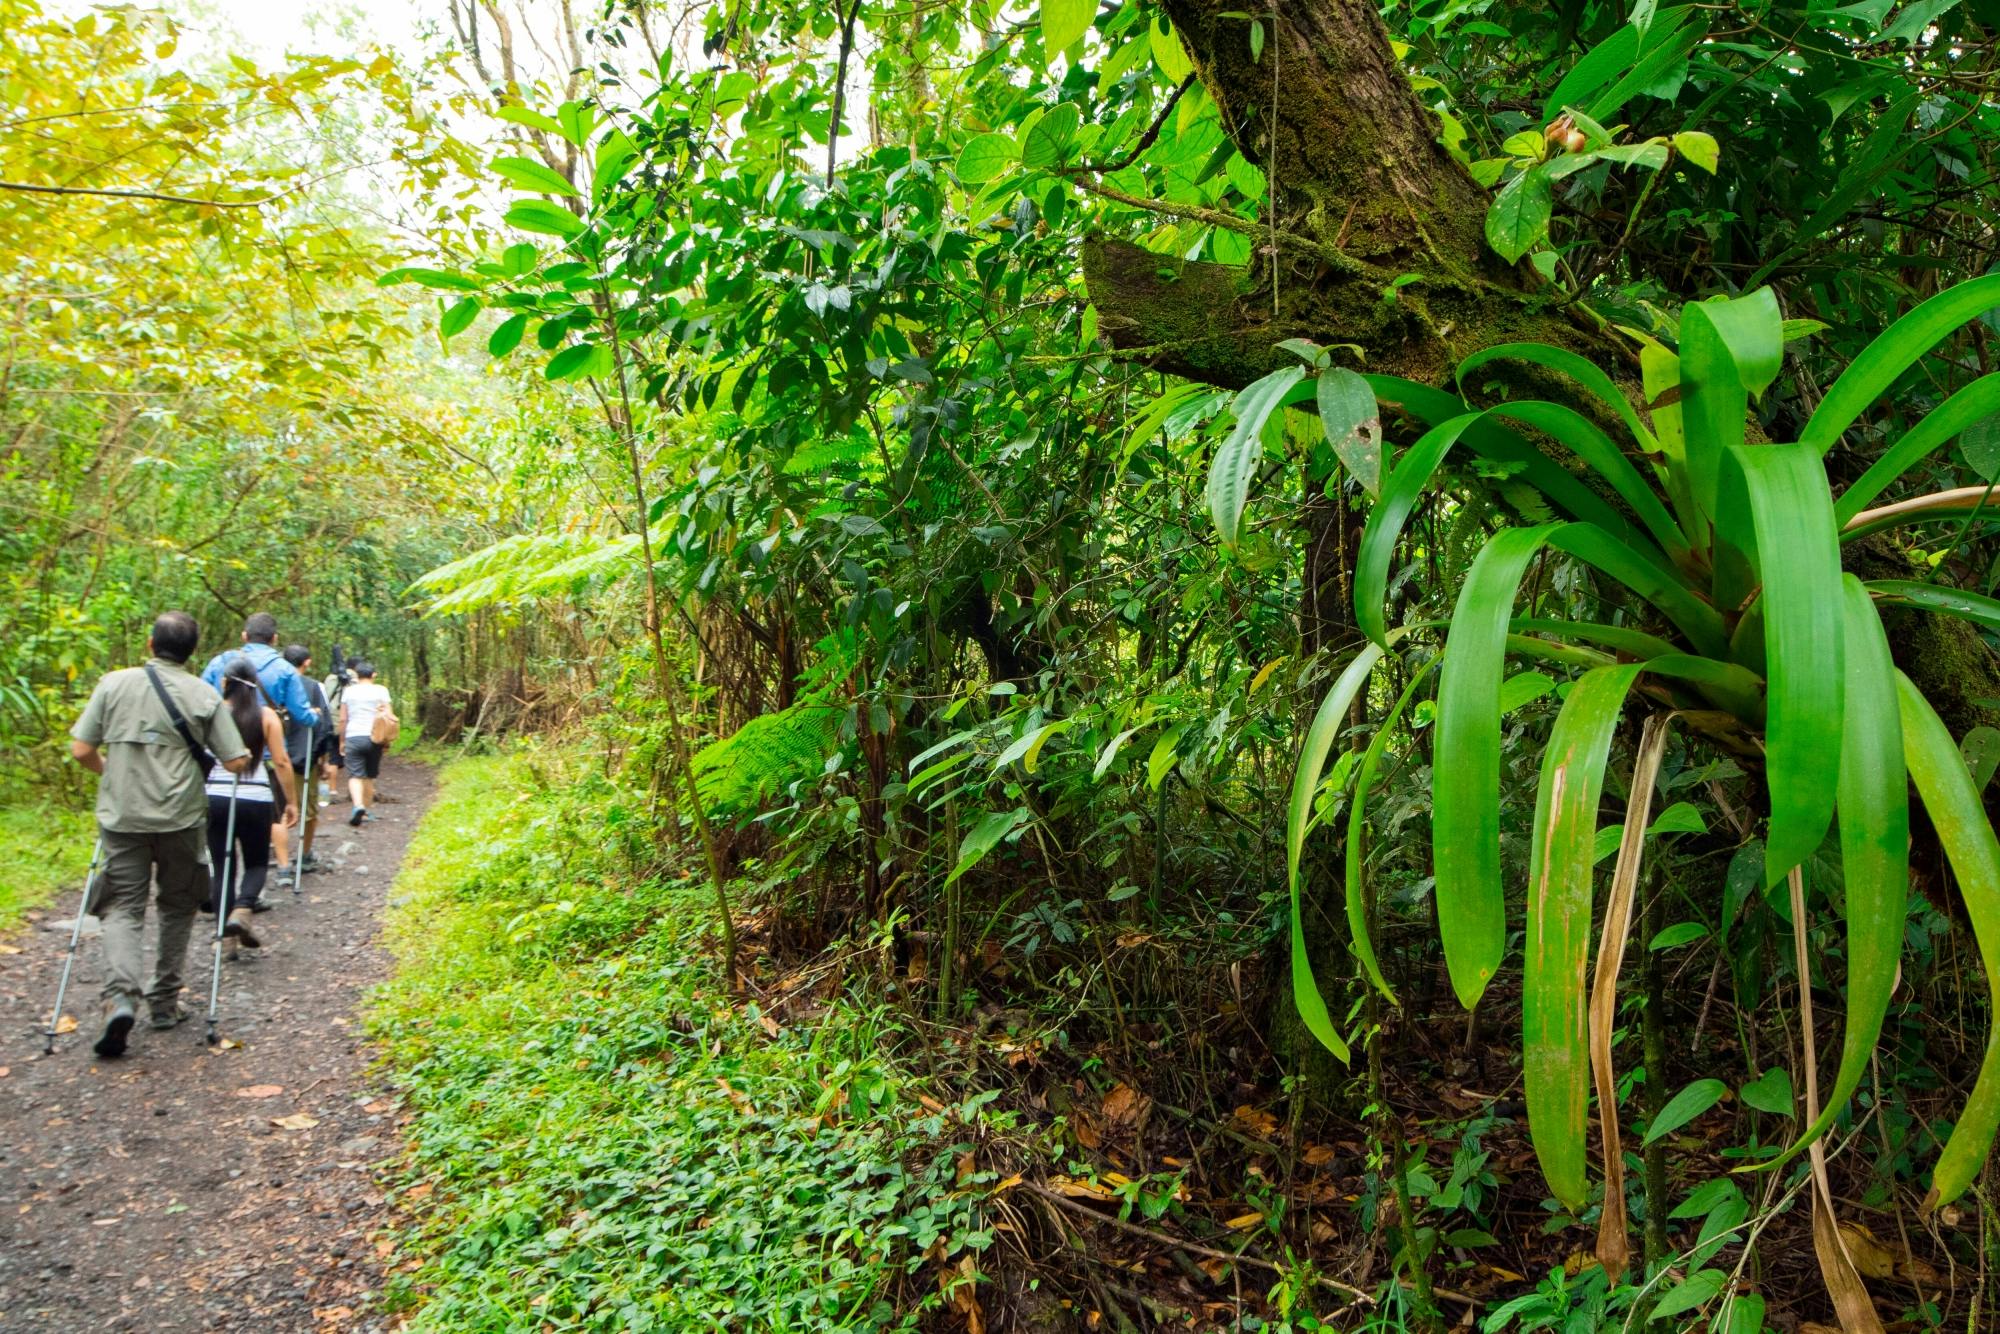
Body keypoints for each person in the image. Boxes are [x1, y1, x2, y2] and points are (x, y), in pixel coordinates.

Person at [69, 612, 250, 1057]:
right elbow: (235, 761)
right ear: (193, 651)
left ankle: (120, 998)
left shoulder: (113, 684)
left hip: (122, 817)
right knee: (177, 906)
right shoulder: (204, 693)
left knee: (121, 907)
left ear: (150, 644)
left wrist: (110, 771)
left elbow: (81, 749)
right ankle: (164, 1003)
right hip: (181, 820)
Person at [207, 658, 298, 956]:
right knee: (257, 862)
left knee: (222, 867)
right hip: (256, 796)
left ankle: (226, 938)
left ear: (225, 682)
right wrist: (291, 801)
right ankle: (243, 909)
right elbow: (282, 761)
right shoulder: (266, 716)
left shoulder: (212, 712)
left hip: (216, 796)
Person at [275, 645, 334, 883]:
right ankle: (304, 854)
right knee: (308, 810)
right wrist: (324, 760)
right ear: (307, 662)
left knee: (278, 810)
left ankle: (282, 865)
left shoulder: (272, 683)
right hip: (304, 757)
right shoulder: (314, 687)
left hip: (275, 757)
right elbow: (325, 726)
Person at [338, 660, 392, 826]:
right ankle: (366, 812)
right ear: (373, 674)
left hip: (354, 736)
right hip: (374, 737)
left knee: (355, 775)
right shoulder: (381, 690)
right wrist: (387, 741)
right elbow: (389, 716)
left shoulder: (348, 691)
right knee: (369, 775)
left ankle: (358, 805)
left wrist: (342, 740)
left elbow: (342, 719)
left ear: (357, 675)